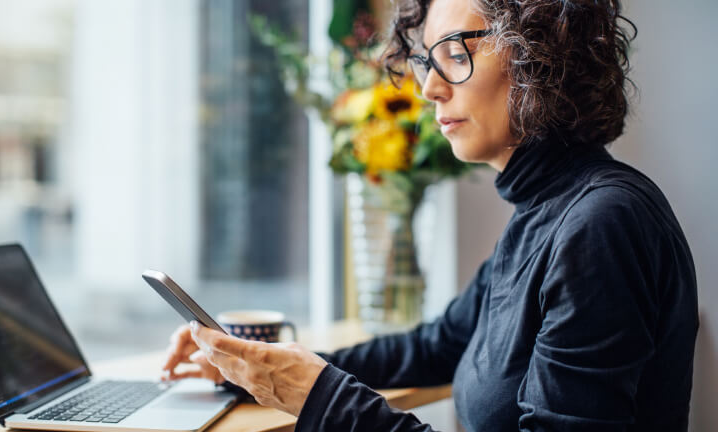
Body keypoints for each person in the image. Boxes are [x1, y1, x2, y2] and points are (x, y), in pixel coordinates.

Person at [161, 0, 699, 430]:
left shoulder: (601, 223)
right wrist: (260, 369)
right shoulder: (545, 213)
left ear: (542, 57)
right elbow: (434, 347)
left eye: (455, 53)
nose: (428, 87)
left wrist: (320, 398)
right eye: (426, 59)